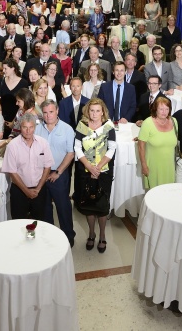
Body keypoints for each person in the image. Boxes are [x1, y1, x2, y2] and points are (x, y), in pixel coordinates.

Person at [74, 99, 117, 253]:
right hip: (85, 171)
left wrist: (97, 167)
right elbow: (77, 148)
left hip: (103, 171)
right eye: (92, 110)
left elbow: (111, 149)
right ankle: (91, 233)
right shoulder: (82, 126)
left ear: (103, 112)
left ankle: (103, 235)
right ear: (88, 111)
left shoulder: (108, 126)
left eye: (98, 111)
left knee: (102, 205)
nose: (95, 114)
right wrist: (89, 167)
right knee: (89, 205)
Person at [35, 101, 76, 246]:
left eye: (51, 112)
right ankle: (49, 237)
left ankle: (68, 237)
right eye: (45, 112)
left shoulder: (67, 129)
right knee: (44, 207)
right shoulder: (37, 129)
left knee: (63, 206)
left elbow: (70, 153)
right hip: (41, 174)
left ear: (57, 111)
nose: (48, 115)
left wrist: (58, 172)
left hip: (59, 173)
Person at [1, 113, 54, 221]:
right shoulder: (12, 146)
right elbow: (12, 172)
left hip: (39, 190)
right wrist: (26, 191)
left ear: (34, 128)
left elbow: (47, 167)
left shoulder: (43, 143)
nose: (28, 131)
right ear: (20, 127)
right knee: (19, 222)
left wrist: (38, 189)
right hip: (19, 192)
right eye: (25, 127)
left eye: (31, 127)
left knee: (39, 223)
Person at [138, 96, 177, 188]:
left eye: (167, 109)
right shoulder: (147, 123)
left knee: (168, 193)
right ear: (155, 109)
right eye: (161, 109)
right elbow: (141, 147)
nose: (164, 112)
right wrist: (144, 165)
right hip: (153, 167)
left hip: (169, 167)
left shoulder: (174, 121)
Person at [0, 59, 30, 131]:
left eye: (5, 68)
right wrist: (0, 118)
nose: (3, 71)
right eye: (3, 68)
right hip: (2, 117)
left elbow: (24, 103)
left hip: (17, 117)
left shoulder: (23, 83)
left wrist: (14, 121)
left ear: (13, 68)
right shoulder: (0, 81)